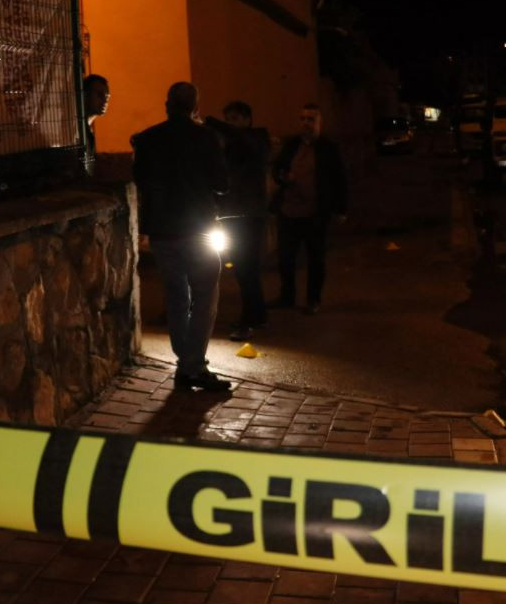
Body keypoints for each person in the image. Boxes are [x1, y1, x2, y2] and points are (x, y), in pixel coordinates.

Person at [132, 82, 231, 392]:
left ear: (167, 105)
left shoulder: (148, 139)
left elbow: (140, 179)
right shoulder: (206, 137)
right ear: (195, 106)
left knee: (176, 296)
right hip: (198, 229)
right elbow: (222, 184)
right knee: (205, 296)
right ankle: (193, 365)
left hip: (163, 231)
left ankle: (184, 362)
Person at [271, 103, 347, 315]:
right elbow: (278, 169)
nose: (306, 123)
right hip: (289, 211)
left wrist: (341, 209)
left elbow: (340, 179)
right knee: (286, 258)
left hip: (315, 213)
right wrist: (283, 177)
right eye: (303, 119)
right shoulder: (292, 144)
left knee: (316, 259)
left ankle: (313, 299)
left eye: (311, 119)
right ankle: (287, 296)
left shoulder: (328, 148)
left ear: (319, 122)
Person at [205, 101, 271, 341]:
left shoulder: (257, 139)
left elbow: (246, 143)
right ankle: (258, 315)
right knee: (243, 269)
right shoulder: (231, 147)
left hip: (250, 216)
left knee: (247, 269)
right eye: (228, 118)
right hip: (233, 214)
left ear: (247, 120)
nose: (230, 123)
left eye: (234, 118)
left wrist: (212, 122)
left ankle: (249, 321)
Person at [83, 74, 110, 167]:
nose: (105, 101)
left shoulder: (88, 130)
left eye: (107, 97)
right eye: (99, 95)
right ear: (85, 95)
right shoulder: (76, 129)